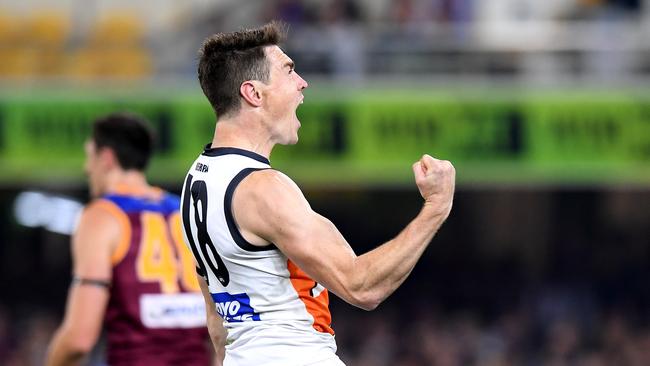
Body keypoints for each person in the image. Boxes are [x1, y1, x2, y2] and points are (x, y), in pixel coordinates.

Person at [181, 21, 455, 366]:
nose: (302, 83)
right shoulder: (264, 189)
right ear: (254, 93)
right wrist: (436, 208)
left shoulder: (196, 180)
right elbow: (362, 287)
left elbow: (217, 321)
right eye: (289, 71)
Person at [46, 113, 213, 366]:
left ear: (106, 158)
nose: (86, 168)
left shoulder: (102, 216)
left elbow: (79, 339)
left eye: (89, 156)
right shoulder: (183, 211)